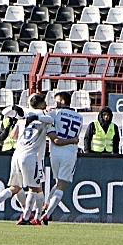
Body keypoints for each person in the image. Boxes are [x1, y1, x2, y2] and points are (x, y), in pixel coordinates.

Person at [0, 93, 57, 225]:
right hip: (30, 155)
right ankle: (27, 217)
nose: (46, 104)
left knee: (15, 187)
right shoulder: (43, 116)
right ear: (40, 104)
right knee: (34, 188)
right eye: (44, 102)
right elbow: (51, 121)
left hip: (17, 153)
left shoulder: (22, 118)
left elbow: (13, 135)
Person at [40, 91, 83, 224]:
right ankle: (47, 215)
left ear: (63, 101)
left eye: (56, 101)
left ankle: (46, 205)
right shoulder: (79, 117)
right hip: (69, 153)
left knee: (58, 182)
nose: (54, 104)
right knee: (62, 185)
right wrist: (73, 140)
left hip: (55, 153)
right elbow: (75, 137)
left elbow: (45, 119)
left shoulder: (55, 113)